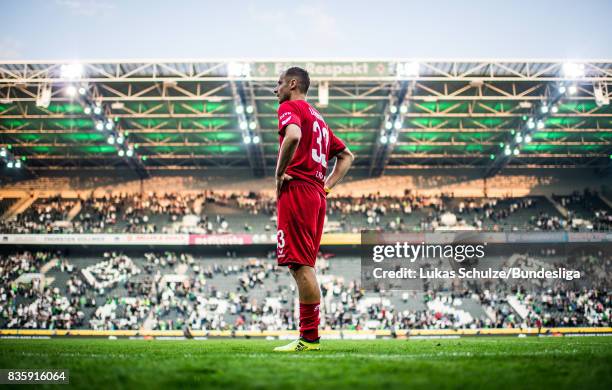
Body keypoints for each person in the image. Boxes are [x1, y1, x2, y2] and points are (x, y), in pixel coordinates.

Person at [272, 67, 354, 352]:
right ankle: (308, 337)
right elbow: (346, 156)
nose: (276, 89)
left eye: (279, 83)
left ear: (293, 84)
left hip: (299, 191)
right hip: (316, 193)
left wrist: (279, 173)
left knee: (301, 266)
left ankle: (308, 339)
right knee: (304, 265)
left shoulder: (291, 107)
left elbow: (292, 136)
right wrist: (326, 186)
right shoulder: (319, 118)